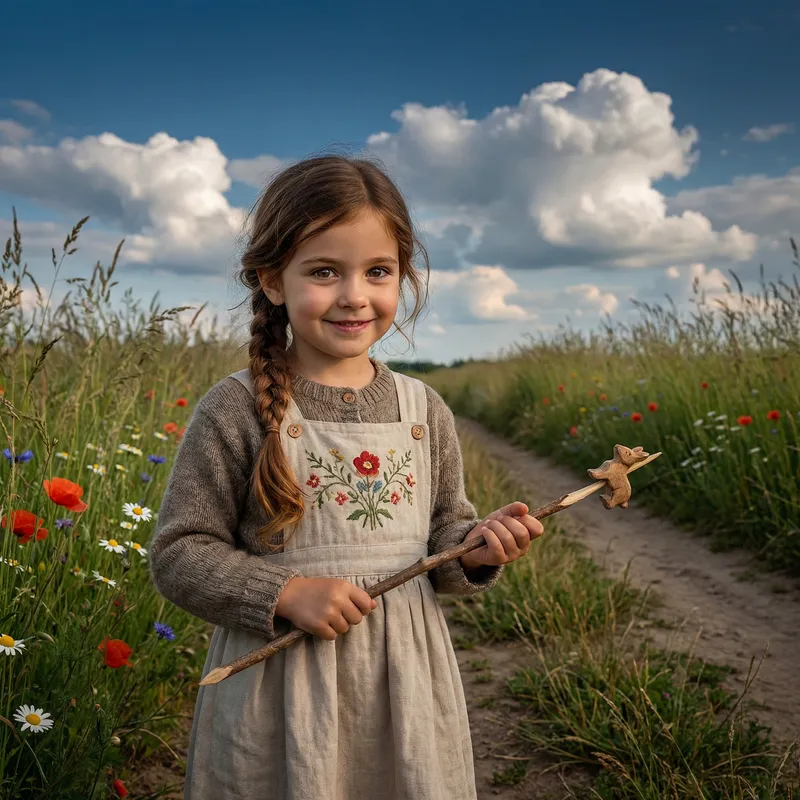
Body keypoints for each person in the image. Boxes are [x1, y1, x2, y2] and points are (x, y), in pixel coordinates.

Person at [148, 152, 545, 800]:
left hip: (404, 684)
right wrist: (283, 592)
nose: (355, 295)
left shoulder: (424, 410)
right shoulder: (236, 408)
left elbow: (445, 533)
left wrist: (474, 548)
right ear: (273, 279)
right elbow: (178, 553)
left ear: (403, 278)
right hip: (279, 694)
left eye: (378, 271)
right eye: (325, 271)